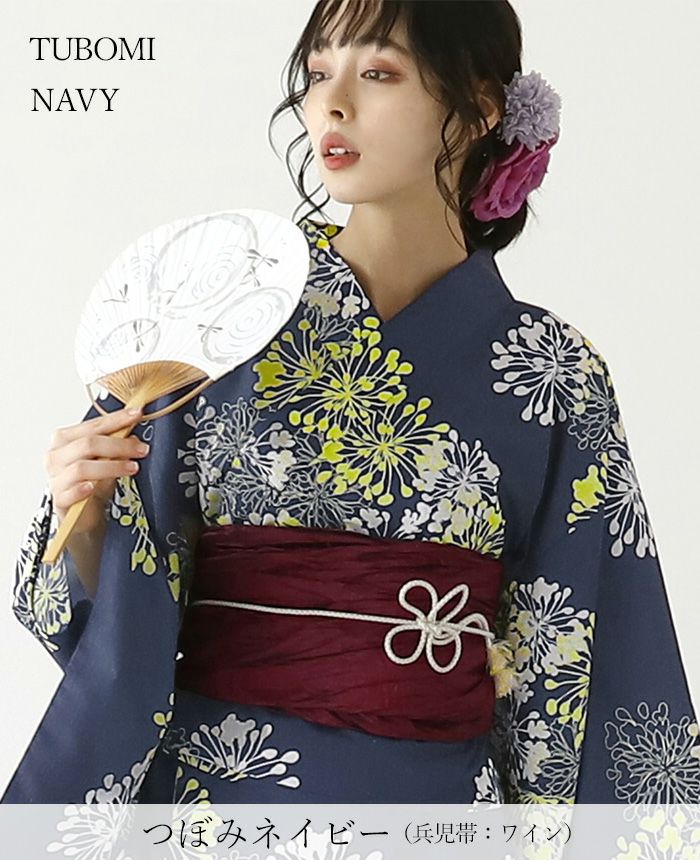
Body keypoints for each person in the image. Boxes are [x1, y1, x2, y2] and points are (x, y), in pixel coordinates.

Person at [3, 0, 699, 806]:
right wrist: (87, 515)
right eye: (317, 73)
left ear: (480, 108)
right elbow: (105, 625)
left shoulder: (552, 371)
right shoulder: (215, 316)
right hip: (217, 804)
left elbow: (587, 656)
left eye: (377, 73)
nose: (332, 104)